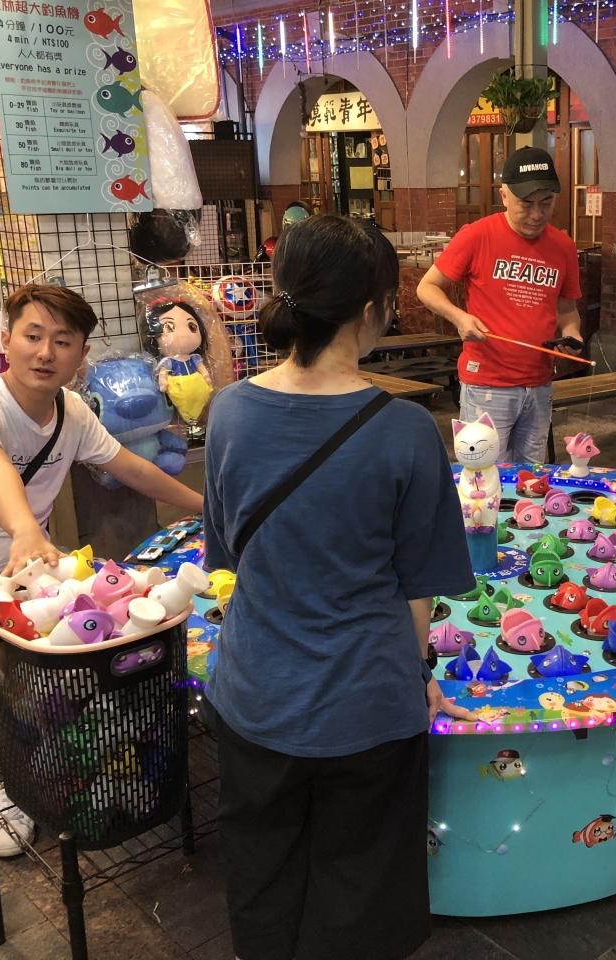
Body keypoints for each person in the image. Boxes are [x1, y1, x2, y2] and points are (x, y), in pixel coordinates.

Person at [202, 215, 476, 960]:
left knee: (263, 873)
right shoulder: (407, 430)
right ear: (371, 310)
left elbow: (228, 554)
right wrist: (419, 674)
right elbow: (418, 589)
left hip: (254, 694)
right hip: (367, 704)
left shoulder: (229, 411)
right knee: (361, 887)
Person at [0, 284, 204, 857]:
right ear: (6, 340)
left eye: (63, 341)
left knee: (134, 641)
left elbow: (133, 468)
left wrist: (211, 507)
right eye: (33, 336)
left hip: (43, 573)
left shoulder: (71, 412)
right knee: (46, 682)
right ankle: (19, 790)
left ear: (81, 355)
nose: (45, 353)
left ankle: (118, 753)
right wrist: (24, 529)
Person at [417, 146, 584, 463]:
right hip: (487, 383)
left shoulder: (563, 246)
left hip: (539, 384)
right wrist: (460, 318)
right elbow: (427, 287)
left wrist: (571, 333)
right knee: (482, 473)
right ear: (504, 195)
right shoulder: (477, 235)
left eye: (546, 203)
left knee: (530, 479)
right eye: (526, 204)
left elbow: (566, 310)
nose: (537, 214)